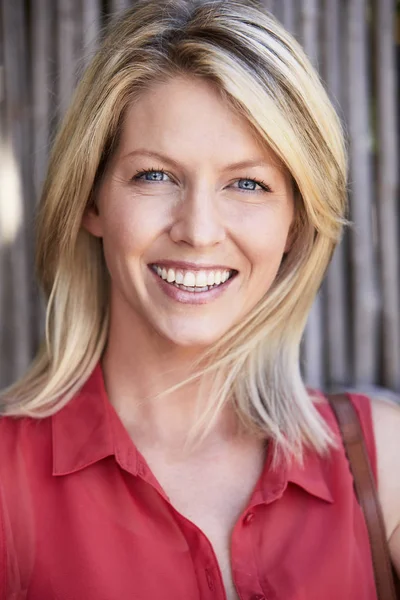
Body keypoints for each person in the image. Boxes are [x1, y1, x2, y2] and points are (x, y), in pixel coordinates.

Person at [0, 0, 399, 598]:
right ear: (91, 200)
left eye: (248, 183)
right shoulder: (7, 483)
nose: (199, 230)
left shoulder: (383, 463)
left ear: (295, 223)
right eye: (155, 176)